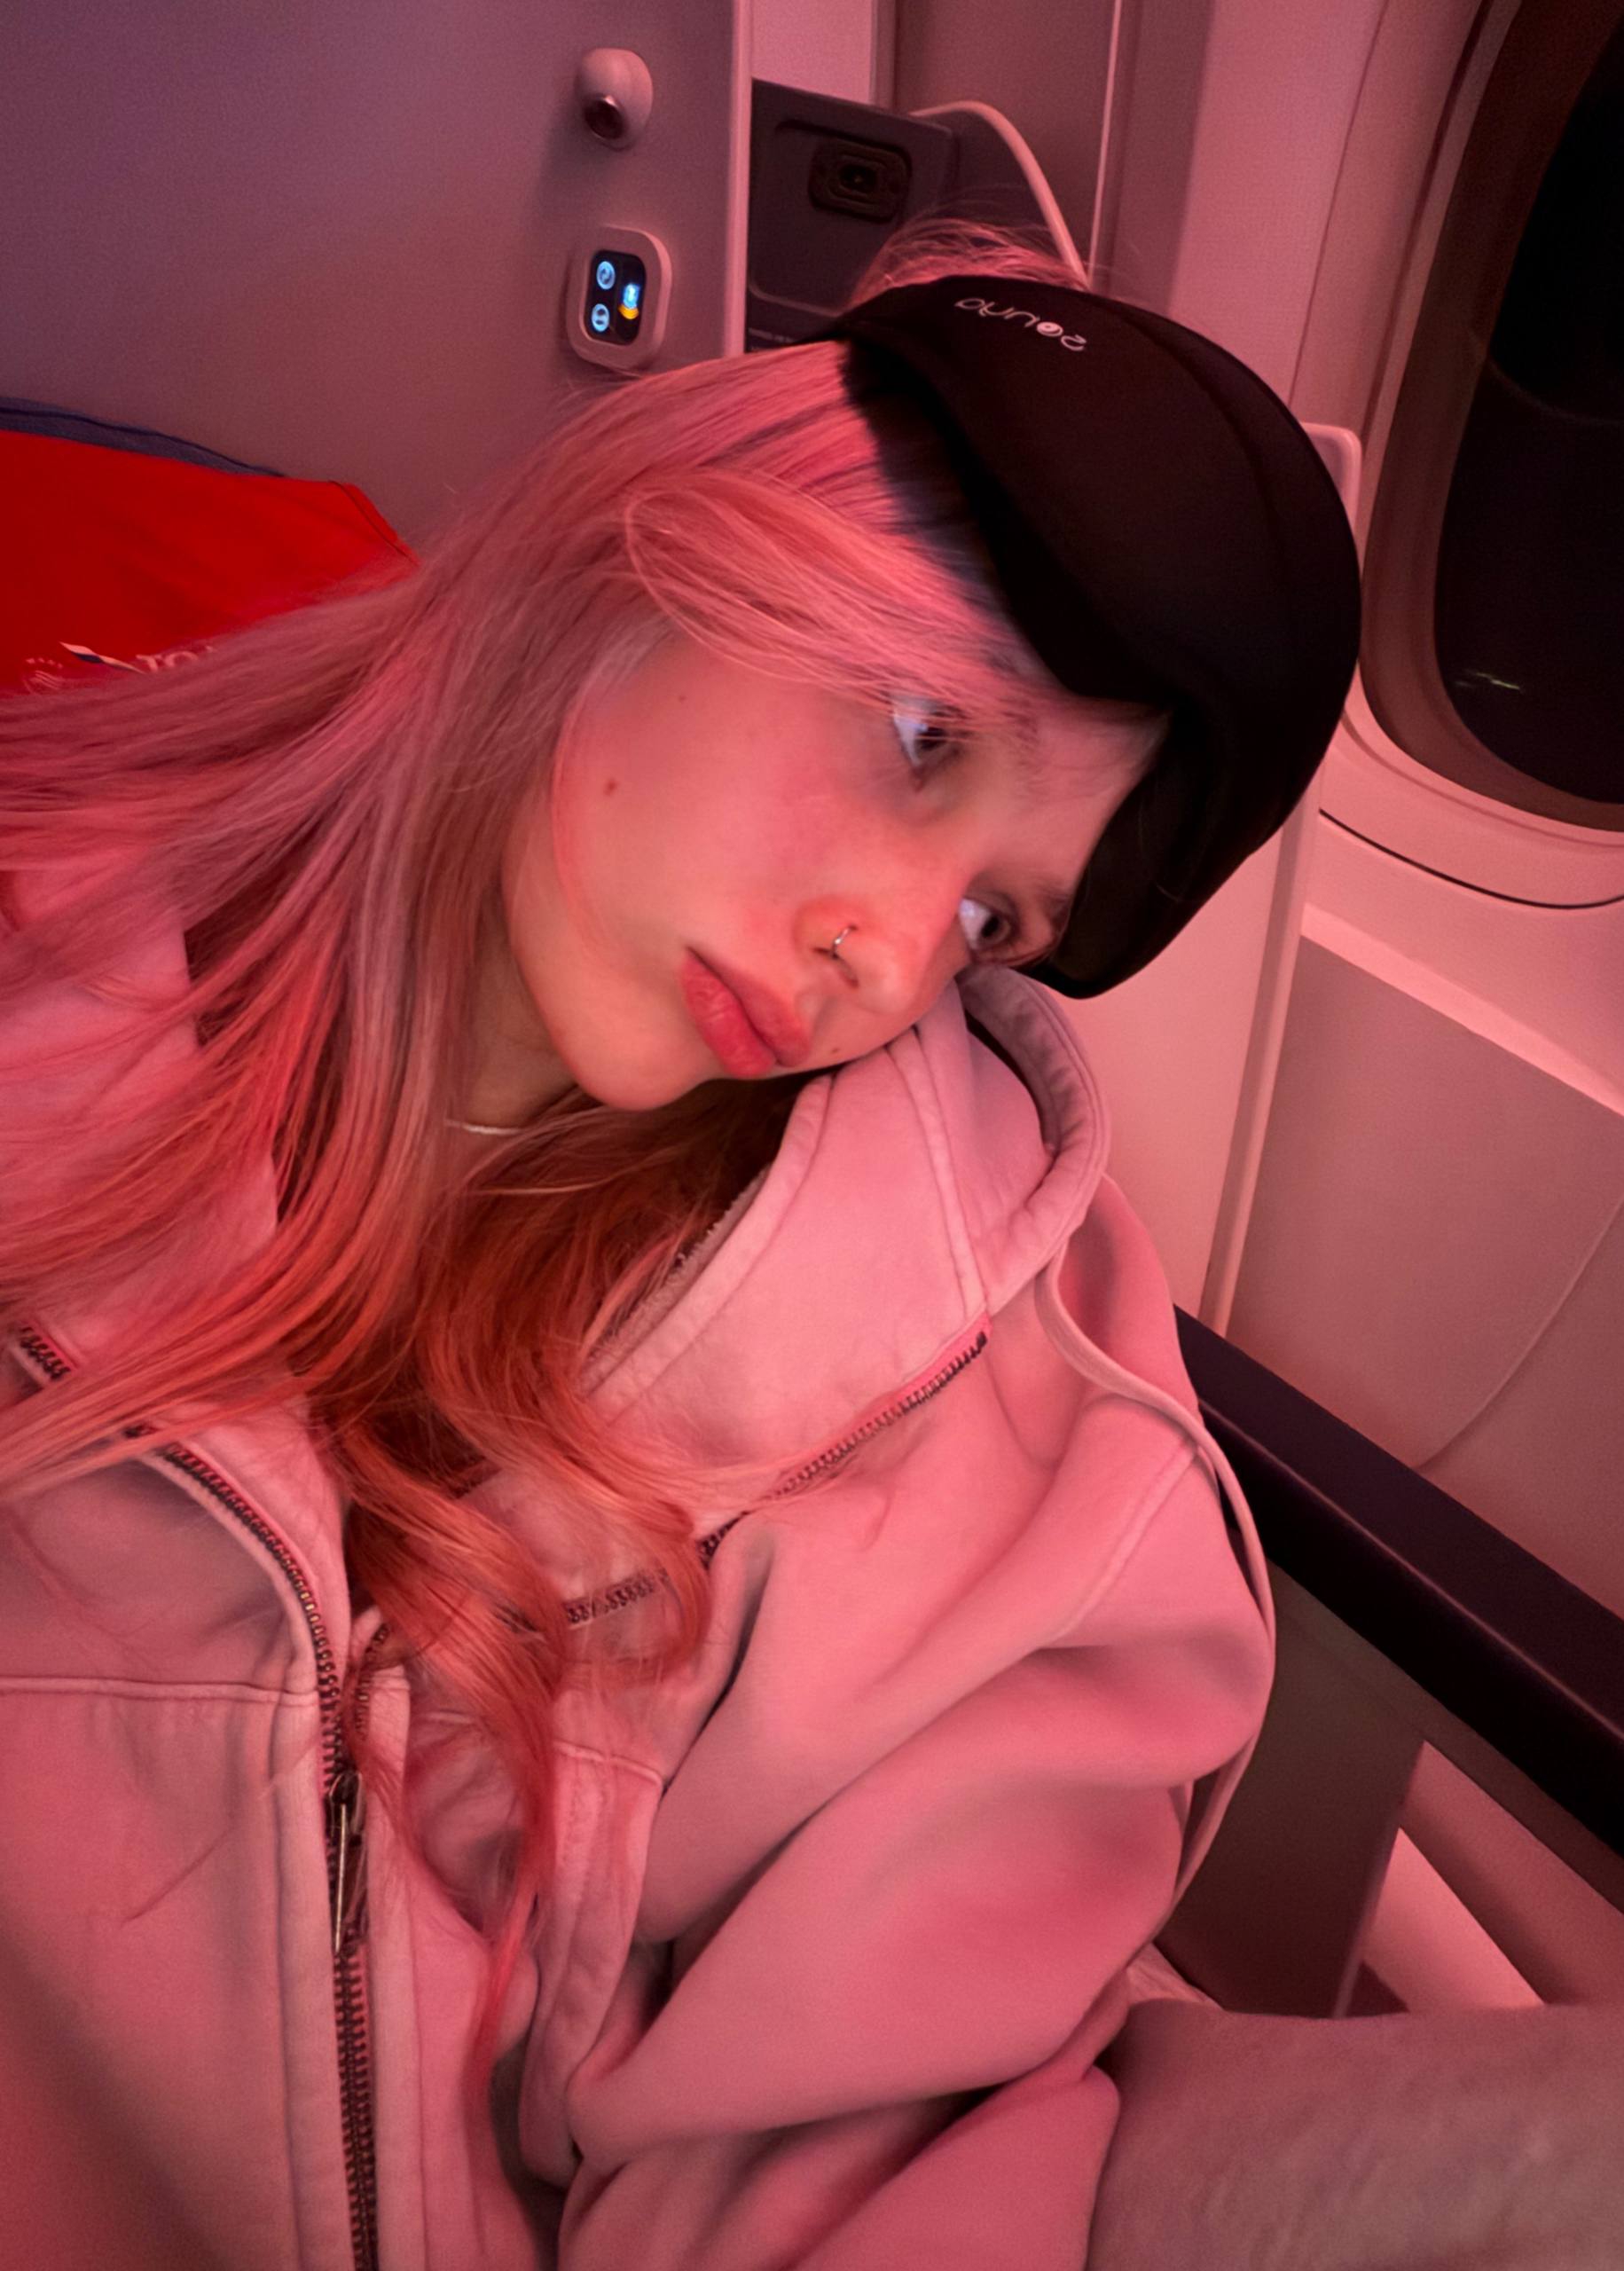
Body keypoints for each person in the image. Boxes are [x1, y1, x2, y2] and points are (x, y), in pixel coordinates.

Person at [7, 219, 1610, 2271]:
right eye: (925, 735)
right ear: (671, 543)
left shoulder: (974, 1401)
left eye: (994, 918)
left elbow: (871, 2158)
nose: (890, 952)